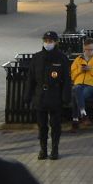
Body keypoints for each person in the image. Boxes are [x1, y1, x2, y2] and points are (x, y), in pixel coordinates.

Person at [28, 30, 74, 161]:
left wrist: (66, 97)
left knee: (55, 125)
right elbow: (31, 78)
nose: (48, 43)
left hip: (55, 95)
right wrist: (28, 95)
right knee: (42, 125)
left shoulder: (62, 58)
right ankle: (43, 149)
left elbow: (66, 80)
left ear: (56, 42)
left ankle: (55, 149)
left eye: (51, 41)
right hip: (40, 96)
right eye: (46, 41)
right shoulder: (37, 57)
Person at [70, 37, 93, 128]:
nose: (88, 52)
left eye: (90, 49)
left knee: (76, 94)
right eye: (86, 49)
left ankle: (75, 119)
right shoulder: (78, 59)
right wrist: (80, 70)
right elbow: (72, 75)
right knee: (77, 89)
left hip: (91, 86)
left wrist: (91, 70)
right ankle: (83, 114)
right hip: (78, 85)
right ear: (83, 48)